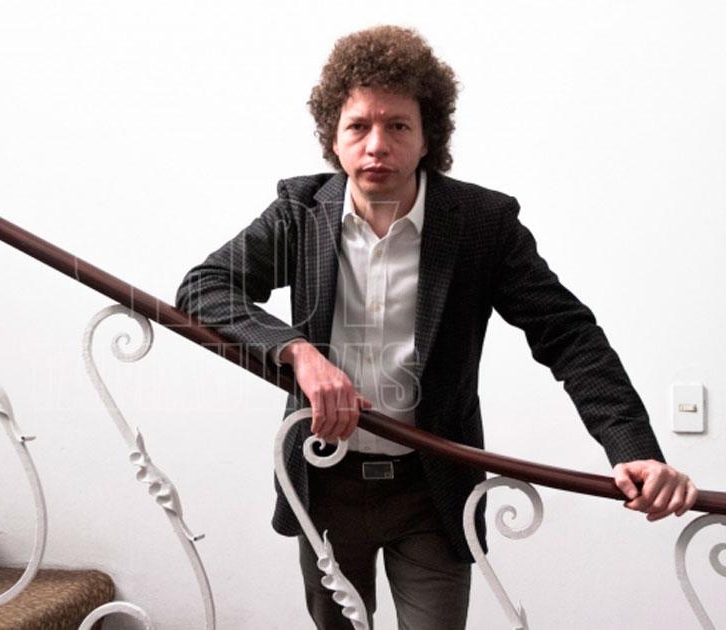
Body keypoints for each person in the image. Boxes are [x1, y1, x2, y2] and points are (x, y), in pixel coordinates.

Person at [175, 25, 698, 630]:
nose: (377, 145)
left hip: (434, 491)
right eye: (358, 127)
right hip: (323, 484)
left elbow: (568, 335)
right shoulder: (300, 211)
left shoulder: (482, 223)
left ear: (428, 138)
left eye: (398, 126)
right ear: (334, 139)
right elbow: (203, 287)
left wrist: (636, 451)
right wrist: (298, 353)